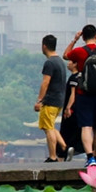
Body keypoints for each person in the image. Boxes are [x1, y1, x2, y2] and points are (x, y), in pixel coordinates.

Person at [63, 24, 96, 167]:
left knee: (86, 126)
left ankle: (90, 158)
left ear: (83, 37)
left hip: (83, 94)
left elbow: (65, 55)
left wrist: (74, 40)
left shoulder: (79, 52)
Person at [35, 34, 68, 162]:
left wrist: (39, 100)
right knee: (50, 125)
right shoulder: (60, 61)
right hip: (60, 100)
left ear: (44, 46)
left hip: (50, 100)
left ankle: (53, 156)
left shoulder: (49, 63)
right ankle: (64, 146)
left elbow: (45, 82)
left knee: (48, 128)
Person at [59, 60, 82, 160]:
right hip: (79, 108)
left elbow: (72, 94)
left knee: (66, 132)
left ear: (76, 64)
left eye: (70, 62)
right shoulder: (80, 76)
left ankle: (64, 150)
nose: (68, 63)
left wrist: (68, 107)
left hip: (72, 109)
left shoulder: (74, 78)